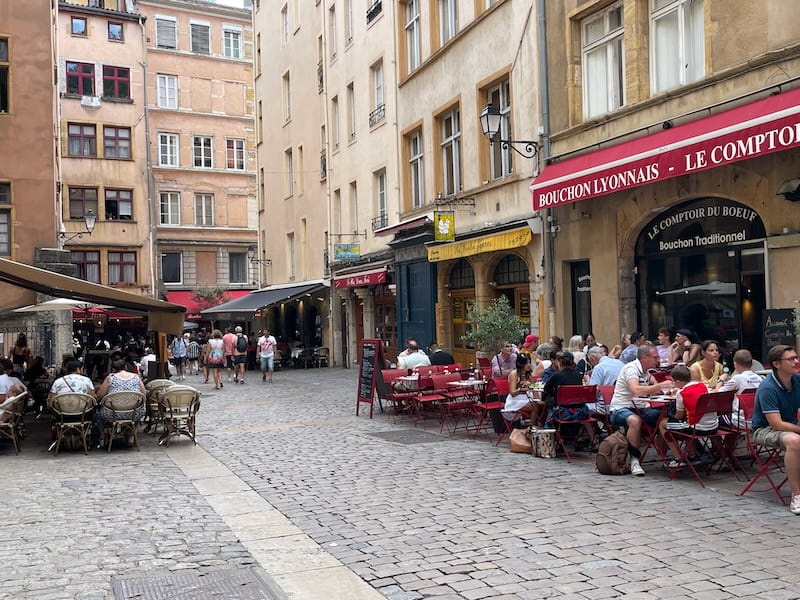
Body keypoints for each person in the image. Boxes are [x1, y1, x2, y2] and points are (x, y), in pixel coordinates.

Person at [608, 344, 675, 476]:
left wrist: (667, 389)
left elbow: (656, 386)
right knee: (635, 420)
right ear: (645, 357)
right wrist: (660, 386)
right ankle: (634, 460)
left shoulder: (647, 371)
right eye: (655, 357)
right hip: (620, 408)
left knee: (664, 418)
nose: (658, 360)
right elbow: (636, 390)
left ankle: (663, 454)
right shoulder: (631, 369)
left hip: (640, 407)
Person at [750, 344, 800, 515]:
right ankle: (796, 495)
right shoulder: (768, 387)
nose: (796, 361)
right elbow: (776, 425)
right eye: (791, 359)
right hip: (764, 429)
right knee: (795, 441)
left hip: (790, 425)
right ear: (777, 364)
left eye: (796, 357)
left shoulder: (797, 380)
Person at [659, 364, 722, 467]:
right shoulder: (703, 385)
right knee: (685, 423)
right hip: (713, 426)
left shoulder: (682, 393)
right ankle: (693, 456)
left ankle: (678, 458)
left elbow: (679, 416)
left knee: (663, 424)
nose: (673, 384)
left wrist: (672, 418)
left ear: (678, 382)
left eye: (673, 381)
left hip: (697, 428)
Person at [94, 358, 147, 444]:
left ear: (113, 369)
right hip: (134, 412)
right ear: (125, 367)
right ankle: (130, 432)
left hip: (113, 413)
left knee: (99, 413)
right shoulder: (136, 377)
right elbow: (144, 393)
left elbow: (100, 395)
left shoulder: (110, 378)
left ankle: (102, 437)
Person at [719, 349, 763, 426]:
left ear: (735, 365)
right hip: (756, 419)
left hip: (740, 420)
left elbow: (719, 393)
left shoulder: (738, 378)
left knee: (714, 422)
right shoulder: (760, 378)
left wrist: (721, 380)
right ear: (752, 364)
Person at [503, 354, 544, 426]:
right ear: (521, 364)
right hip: (515, 400)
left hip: (526, 398)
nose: (529, 365)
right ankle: (532, 427)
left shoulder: (529, 375)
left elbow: (534, 389)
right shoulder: (514, 374)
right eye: (526, 363)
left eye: (529, 363)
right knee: (535, 406)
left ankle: (539, 425)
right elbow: (512, 392)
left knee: (542, 404)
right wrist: (521, 389)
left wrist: (538, 400)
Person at [586, 345, 624, 414]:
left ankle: (591, 425)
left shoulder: (599, 367)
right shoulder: (620, 363)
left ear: (593, 358)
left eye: (590, 361)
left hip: (606, 405)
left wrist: (588, 380)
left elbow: (592, 391)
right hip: (621, 402)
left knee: (582, 407)